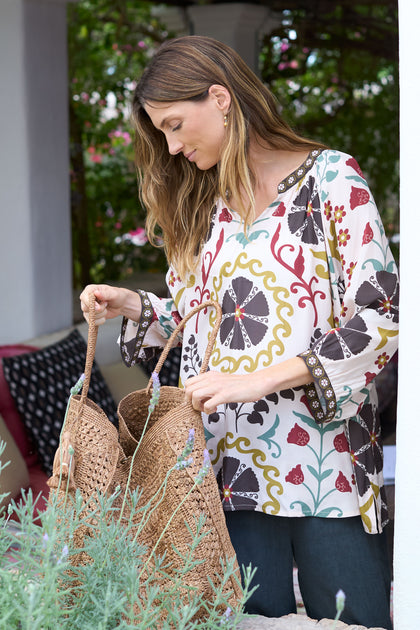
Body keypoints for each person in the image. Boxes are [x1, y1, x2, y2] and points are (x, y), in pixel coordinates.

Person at [80, 36, 398, 628]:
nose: (172, 148)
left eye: (175, 125)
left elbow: (382, 316)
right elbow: (195, 325)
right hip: (225, 475)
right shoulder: (205, 206)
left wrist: (255, 381)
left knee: (358, 621)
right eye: (162, 135)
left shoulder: (331, 181)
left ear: (221, 98)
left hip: (326, 466)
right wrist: (132, 306)